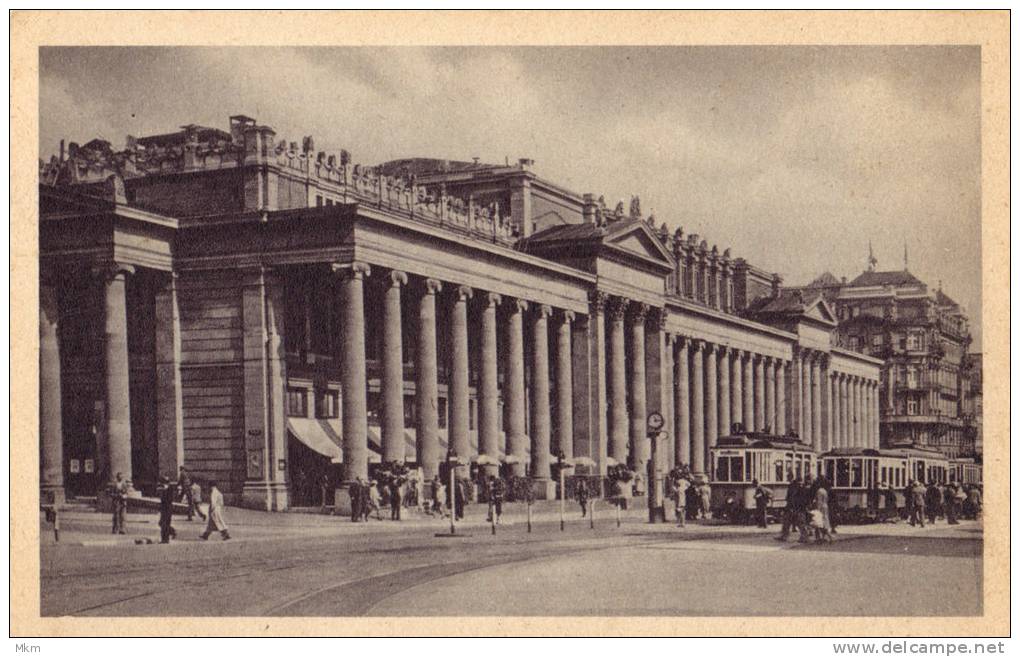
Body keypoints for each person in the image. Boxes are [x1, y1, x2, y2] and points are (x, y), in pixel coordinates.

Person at [812, 476, 834, 544]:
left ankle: (820, 538)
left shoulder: (819, 491)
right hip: (825, 507)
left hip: (821, 508)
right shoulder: (824, 491)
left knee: (818, 523)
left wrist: (817, 510)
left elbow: (819, 501)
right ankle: (825, 537)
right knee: (823, 523)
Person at [157, 475, 177, 544]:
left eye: (163, 483)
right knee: (162, 523)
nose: (162, 484)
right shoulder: (163, 489)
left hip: (168, 509)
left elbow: (169, 499)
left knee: (164, 524)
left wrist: (164, 491)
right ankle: (171, 533)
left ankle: (165, 539)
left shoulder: (170, 489)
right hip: (164, 509)